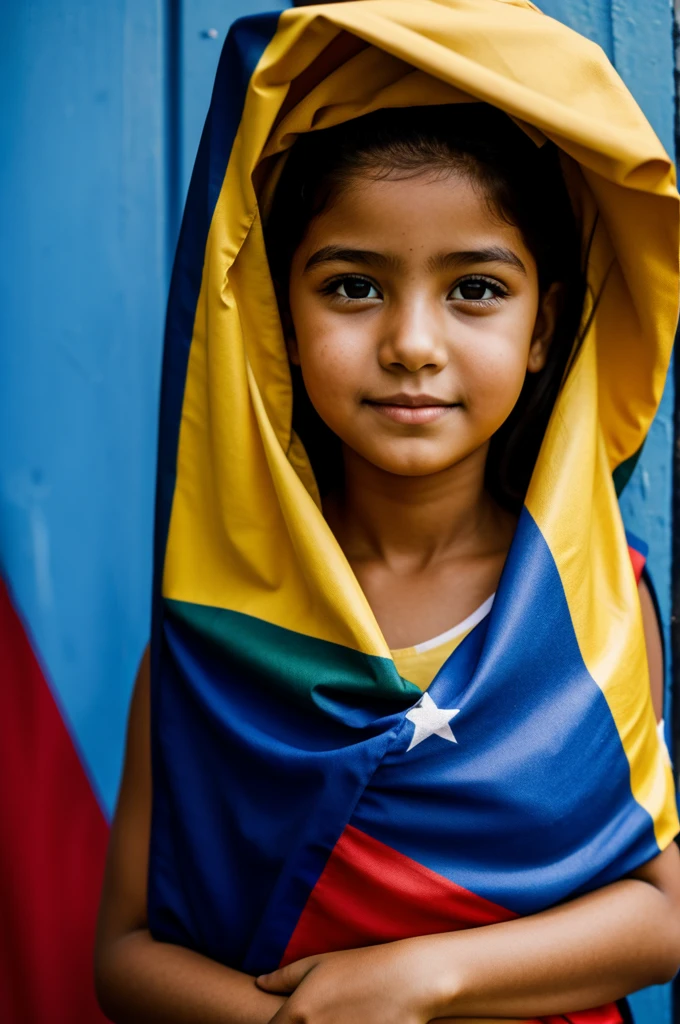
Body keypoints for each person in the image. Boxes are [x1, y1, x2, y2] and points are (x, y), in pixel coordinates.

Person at [95, 2, 680, 1022]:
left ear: (542, 327)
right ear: (278, 317)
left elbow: (659, 915)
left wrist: (418, 977)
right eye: (355, 286)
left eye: (474, 290)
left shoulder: (591, 606)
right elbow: (126, 954)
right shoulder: (216, 632)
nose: (412, 341)